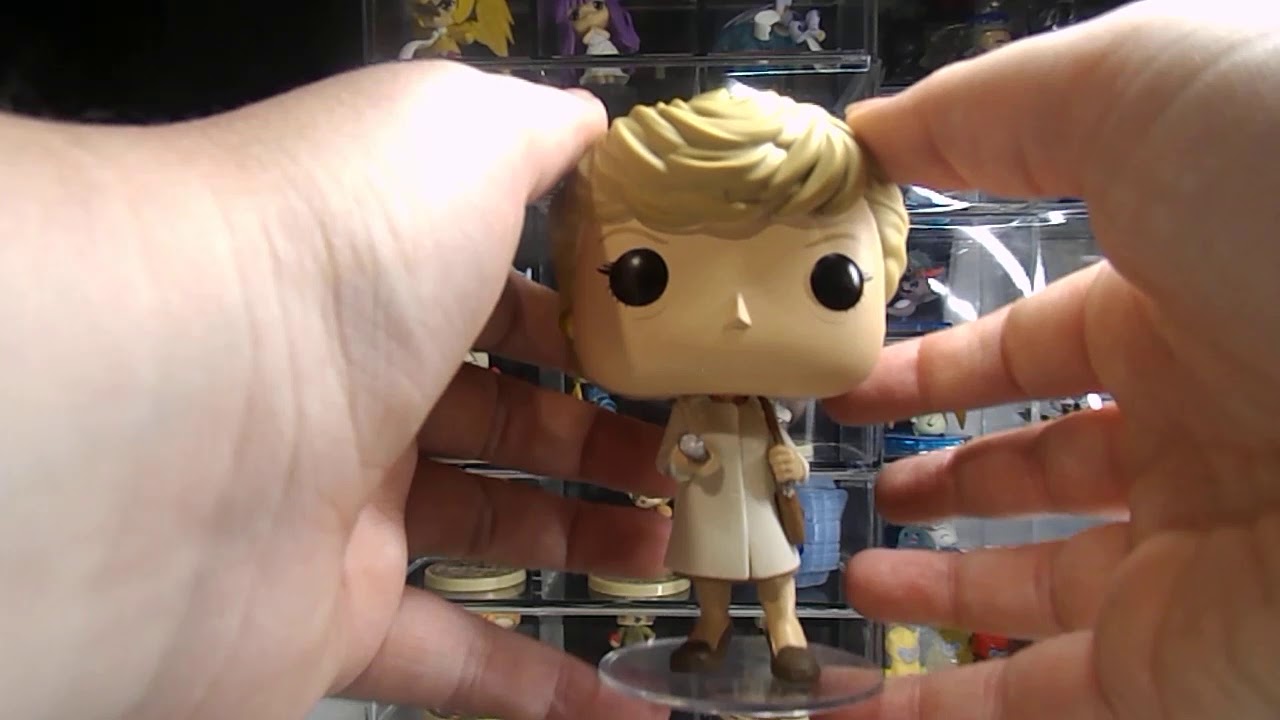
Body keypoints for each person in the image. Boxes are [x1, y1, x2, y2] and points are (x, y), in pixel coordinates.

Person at [0, 1, 1275, 718]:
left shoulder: (772, 407)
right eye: (647, 278)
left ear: (885, 276)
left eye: (828, 281)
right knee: (712, 581)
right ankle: (721, 634)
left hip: (752, 509)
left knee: (768, 580)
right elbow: (684, 452)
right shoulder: (683, 402)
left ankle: (774, 636)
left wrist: (776, 468)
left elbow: (761, 457)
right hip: (708, 506)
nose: (738, 324)